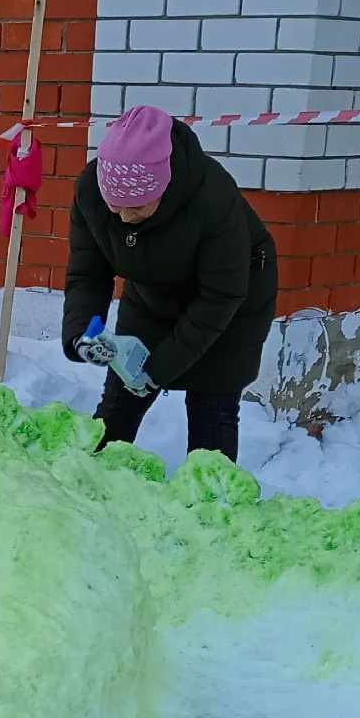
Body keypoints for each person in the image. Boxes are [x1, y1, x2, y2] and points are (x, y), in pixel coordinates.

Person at [62, 102, 278, 463]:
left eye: (139, 207)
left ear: (164, 185)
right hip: (151, 294)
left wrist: (160, 369)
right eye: (117, 208)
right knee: (119, 400)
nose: (127, 218)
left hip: (230, 304)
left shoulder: (211, 197)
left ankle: (212, 508)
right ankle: (87, 487)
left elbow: (221, 295)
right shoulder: (90, 193)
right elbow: (88, 272)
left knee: (212, 405)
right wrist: (83, 334)